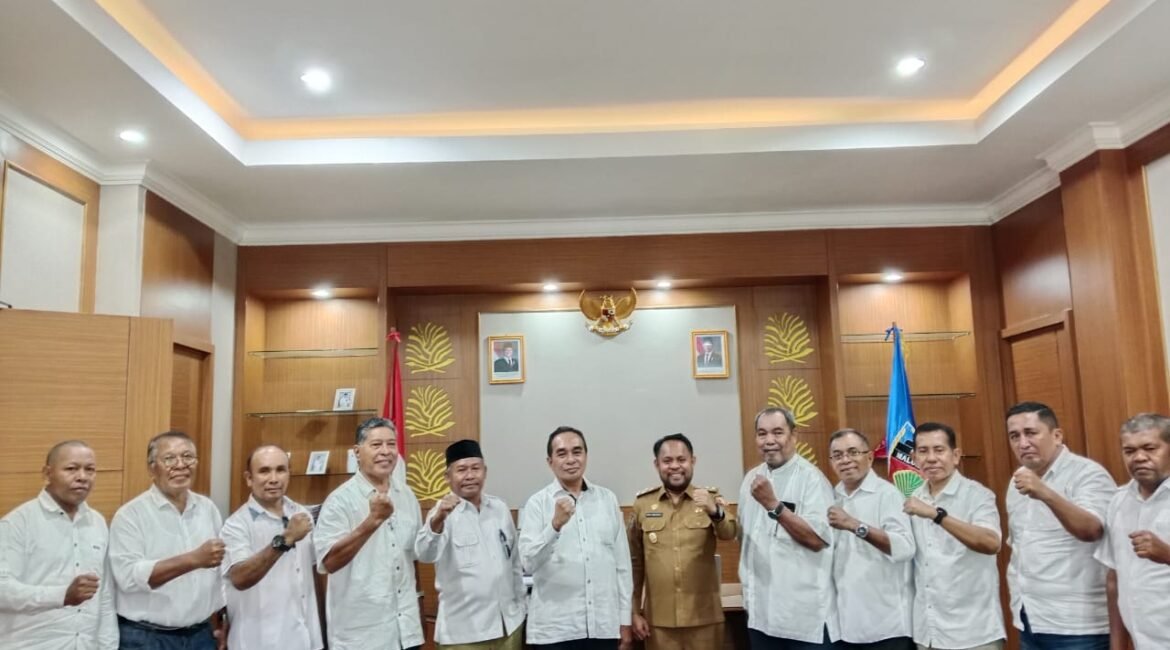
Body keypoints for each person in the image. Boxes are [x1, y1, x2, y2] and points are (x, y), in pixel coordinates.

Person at [1003, 402, 1115, 650]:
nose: (1023, 443)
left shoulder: (1088, 474)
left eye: (1031, 433)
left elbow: (1092, 530)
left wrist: (1045, 493)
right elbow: (1019, 548)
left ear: (1057, 435)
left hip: (1077, 625)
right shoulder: (1017, 481)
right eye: (1014, 436)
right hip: (1029, 618)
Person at [108, 431, 227, 649]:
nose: (180, 465)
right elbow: (128, 578)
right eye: (169, 459)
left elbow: (220, 571)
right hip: (146, 637)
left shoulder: (207, 508)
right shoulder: (130, 515)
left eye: (188, 457)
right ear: (151, 468)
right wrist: (193, 559)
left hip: (200, 634)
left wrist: (223, 618)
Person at [313, 417, 423, 650]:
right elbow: (329, 562)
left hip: (407, 631)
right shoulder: (339, 501)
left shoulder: (407, 495)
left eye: (391, 444)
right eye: (376, 445)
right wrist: (373, 521)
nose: (386, 451)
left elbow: (412, 558)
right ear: (357, 452)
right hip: (363, 636)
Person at [519, 426, 633, 649]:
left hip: (603, 627)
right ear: (550, 461)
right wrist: (554, 526)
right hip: (555, 631)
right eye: (562, 454)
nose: (571, 459)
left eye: (577, 452)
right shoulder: (537, 503)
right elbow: (528, 563)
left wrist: (624, 619)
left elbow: (622, 566)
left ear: (586, 456)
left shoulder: (607, 499)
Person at [0, 440, 117, 649]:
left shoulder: (97, 522)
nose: (82, 477)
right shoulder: (18, 523)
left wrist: (108, 646)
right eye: (71, 469)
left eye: (90, 469)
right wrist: (62, 595)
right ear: (47, 473)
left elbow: (104, 595)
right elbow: (3, 591)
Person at [738, 407, 838, 649]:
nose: (769, 440)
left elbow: (817, 540)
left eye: (777, 432)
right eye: (762, 433)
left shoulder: (812, 479)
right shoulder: (750, 479)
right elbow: (744, 539)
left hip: (803, 620)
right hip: (760, 615)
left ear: (793, 436)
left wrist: (773, 505)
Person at [629, 433, 737, 650]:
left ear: (692, 461)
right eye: (667, 461)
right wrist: (633, 611)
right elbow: (634, 563)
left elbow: (729, 532)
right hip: (659, 623)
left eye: (681, 459)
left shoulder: (709, 498)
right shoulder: (643, 504)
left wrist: (714, 510)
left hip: (704, 619)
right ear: (657, 464)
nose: (675, 466)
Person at [415, 439, 526, 649]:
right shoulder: (441, 513)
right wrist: (439, 519)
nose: (470, 476)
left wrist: (520, 606)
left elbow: (514, 563)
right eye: (461, 470)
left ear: (485, 471)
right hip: (463, 635)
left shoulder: (499, 509)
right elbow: (425, 553)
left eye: (475, 468)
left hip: (508, 626)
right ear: (447, 476)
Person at [903, 422, 1004, 650]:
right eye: (923, 451)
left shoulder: (977, 495)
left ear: (955, 455)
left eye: (939, 450)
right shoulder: (913, 498)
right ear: (914, 458)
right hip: (928, 632)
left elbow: (991, 543)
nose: (931, 458)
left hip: (973, 632)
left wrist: (936, 515)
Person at [220, 445, 322, 650]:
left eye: (280, 470)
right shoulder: (236, 525)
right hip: (258, 642)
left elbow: (312, 574)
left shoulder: (301, 514)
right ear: (249, 478)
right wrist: (286, 539)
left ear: (289, 473)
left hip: (305, 639)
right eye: (264, 471)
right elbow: (240, 578)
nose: (274, 479)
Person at [826, 429, 914, 650]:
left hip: (887, 627)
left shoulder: (887, 494)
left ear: (870, 457)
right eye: (838, 455)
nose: (845, 460)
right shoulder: (831, 496)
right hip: (846, 626)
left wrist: (854, 525)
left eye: (853, 452)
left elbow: (905, 548)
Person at [1095, 413, 1170, 650]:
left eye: (1150, 448)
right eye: (1129, 451)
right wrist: (1117, 646)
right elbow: (1114, 580)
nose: (1139, 457)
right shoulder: (1118, 501)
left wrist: (1167, 555)